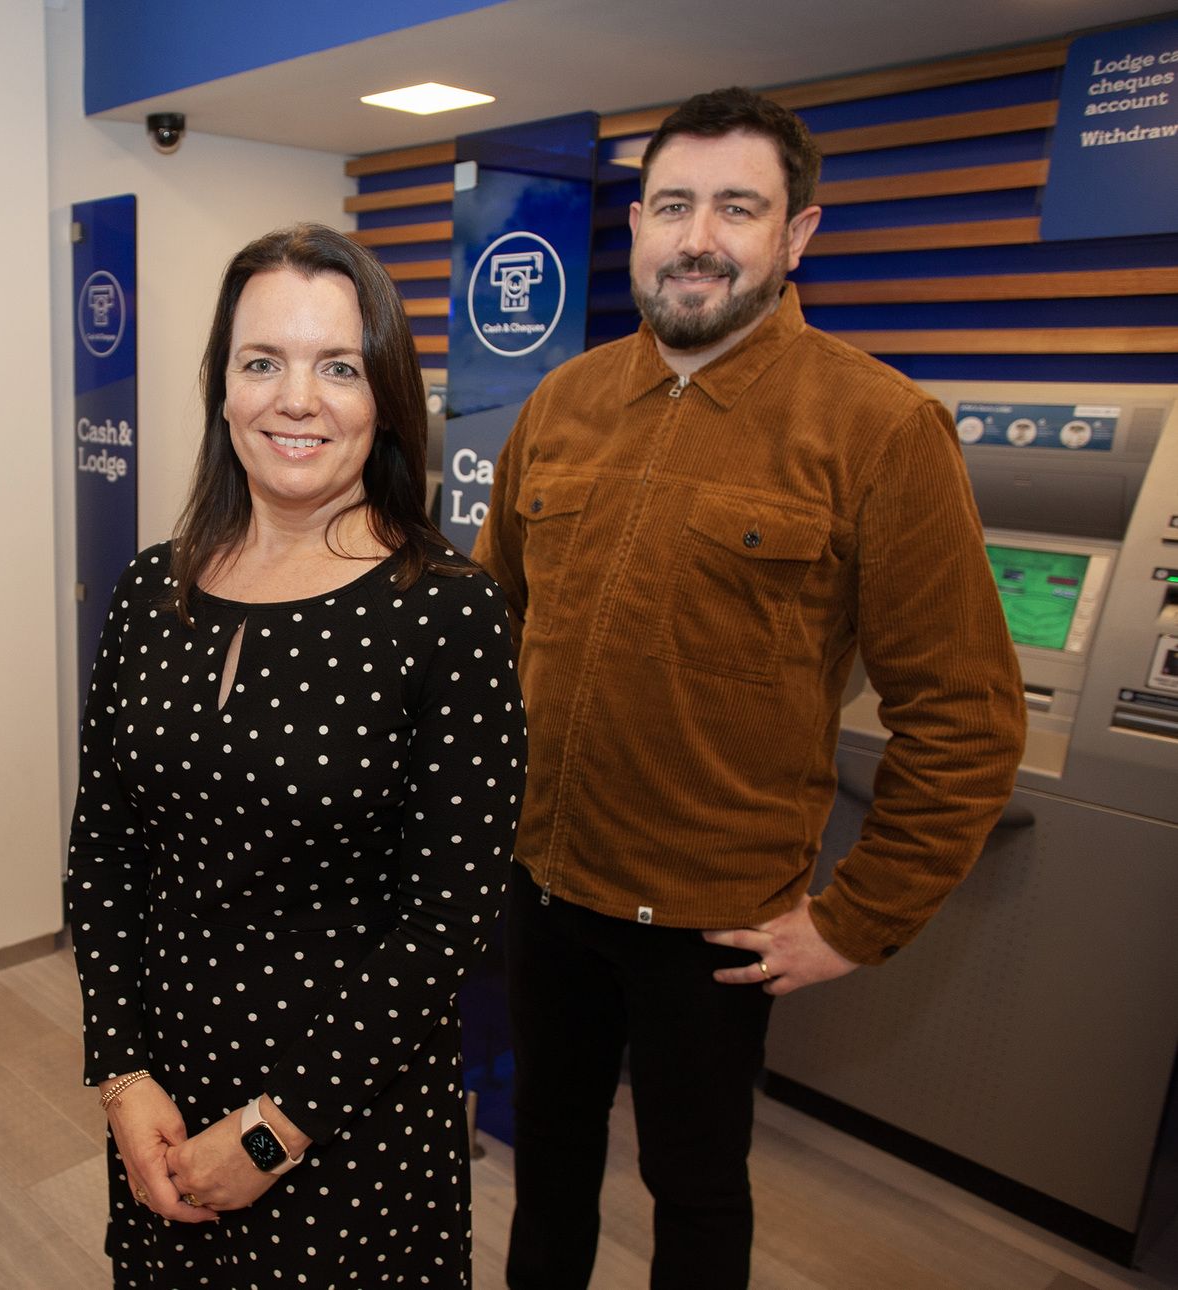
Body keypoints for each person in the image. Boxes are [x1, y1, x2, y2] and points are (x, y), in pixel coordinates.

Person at [472, 87, 1027, 1289]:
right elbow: (486, 631)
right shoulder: (559, 406)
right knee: (549, 1161)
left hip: (711, 927)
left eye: (738, 206)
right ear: (634, 225)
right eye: (672, 204)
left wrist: (852, 918)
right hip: (545, 887)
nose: (698, 236)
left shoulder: (879, 428)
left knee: (696, 1193)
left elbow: (967, 717)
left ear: (796, 235)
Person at [67, 223, 526, 1286]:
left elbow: (443, 923)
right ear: (220, 386)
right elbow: (104, 855)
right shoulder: (146, 592)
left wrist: (276, 1131)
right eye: (261, 362)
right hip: (163, 1108)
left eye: (337, 367)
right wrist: (121, 1073)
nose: (295, 399)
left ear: (384, 397)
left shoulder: (447, 613)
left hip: (346, 1129)